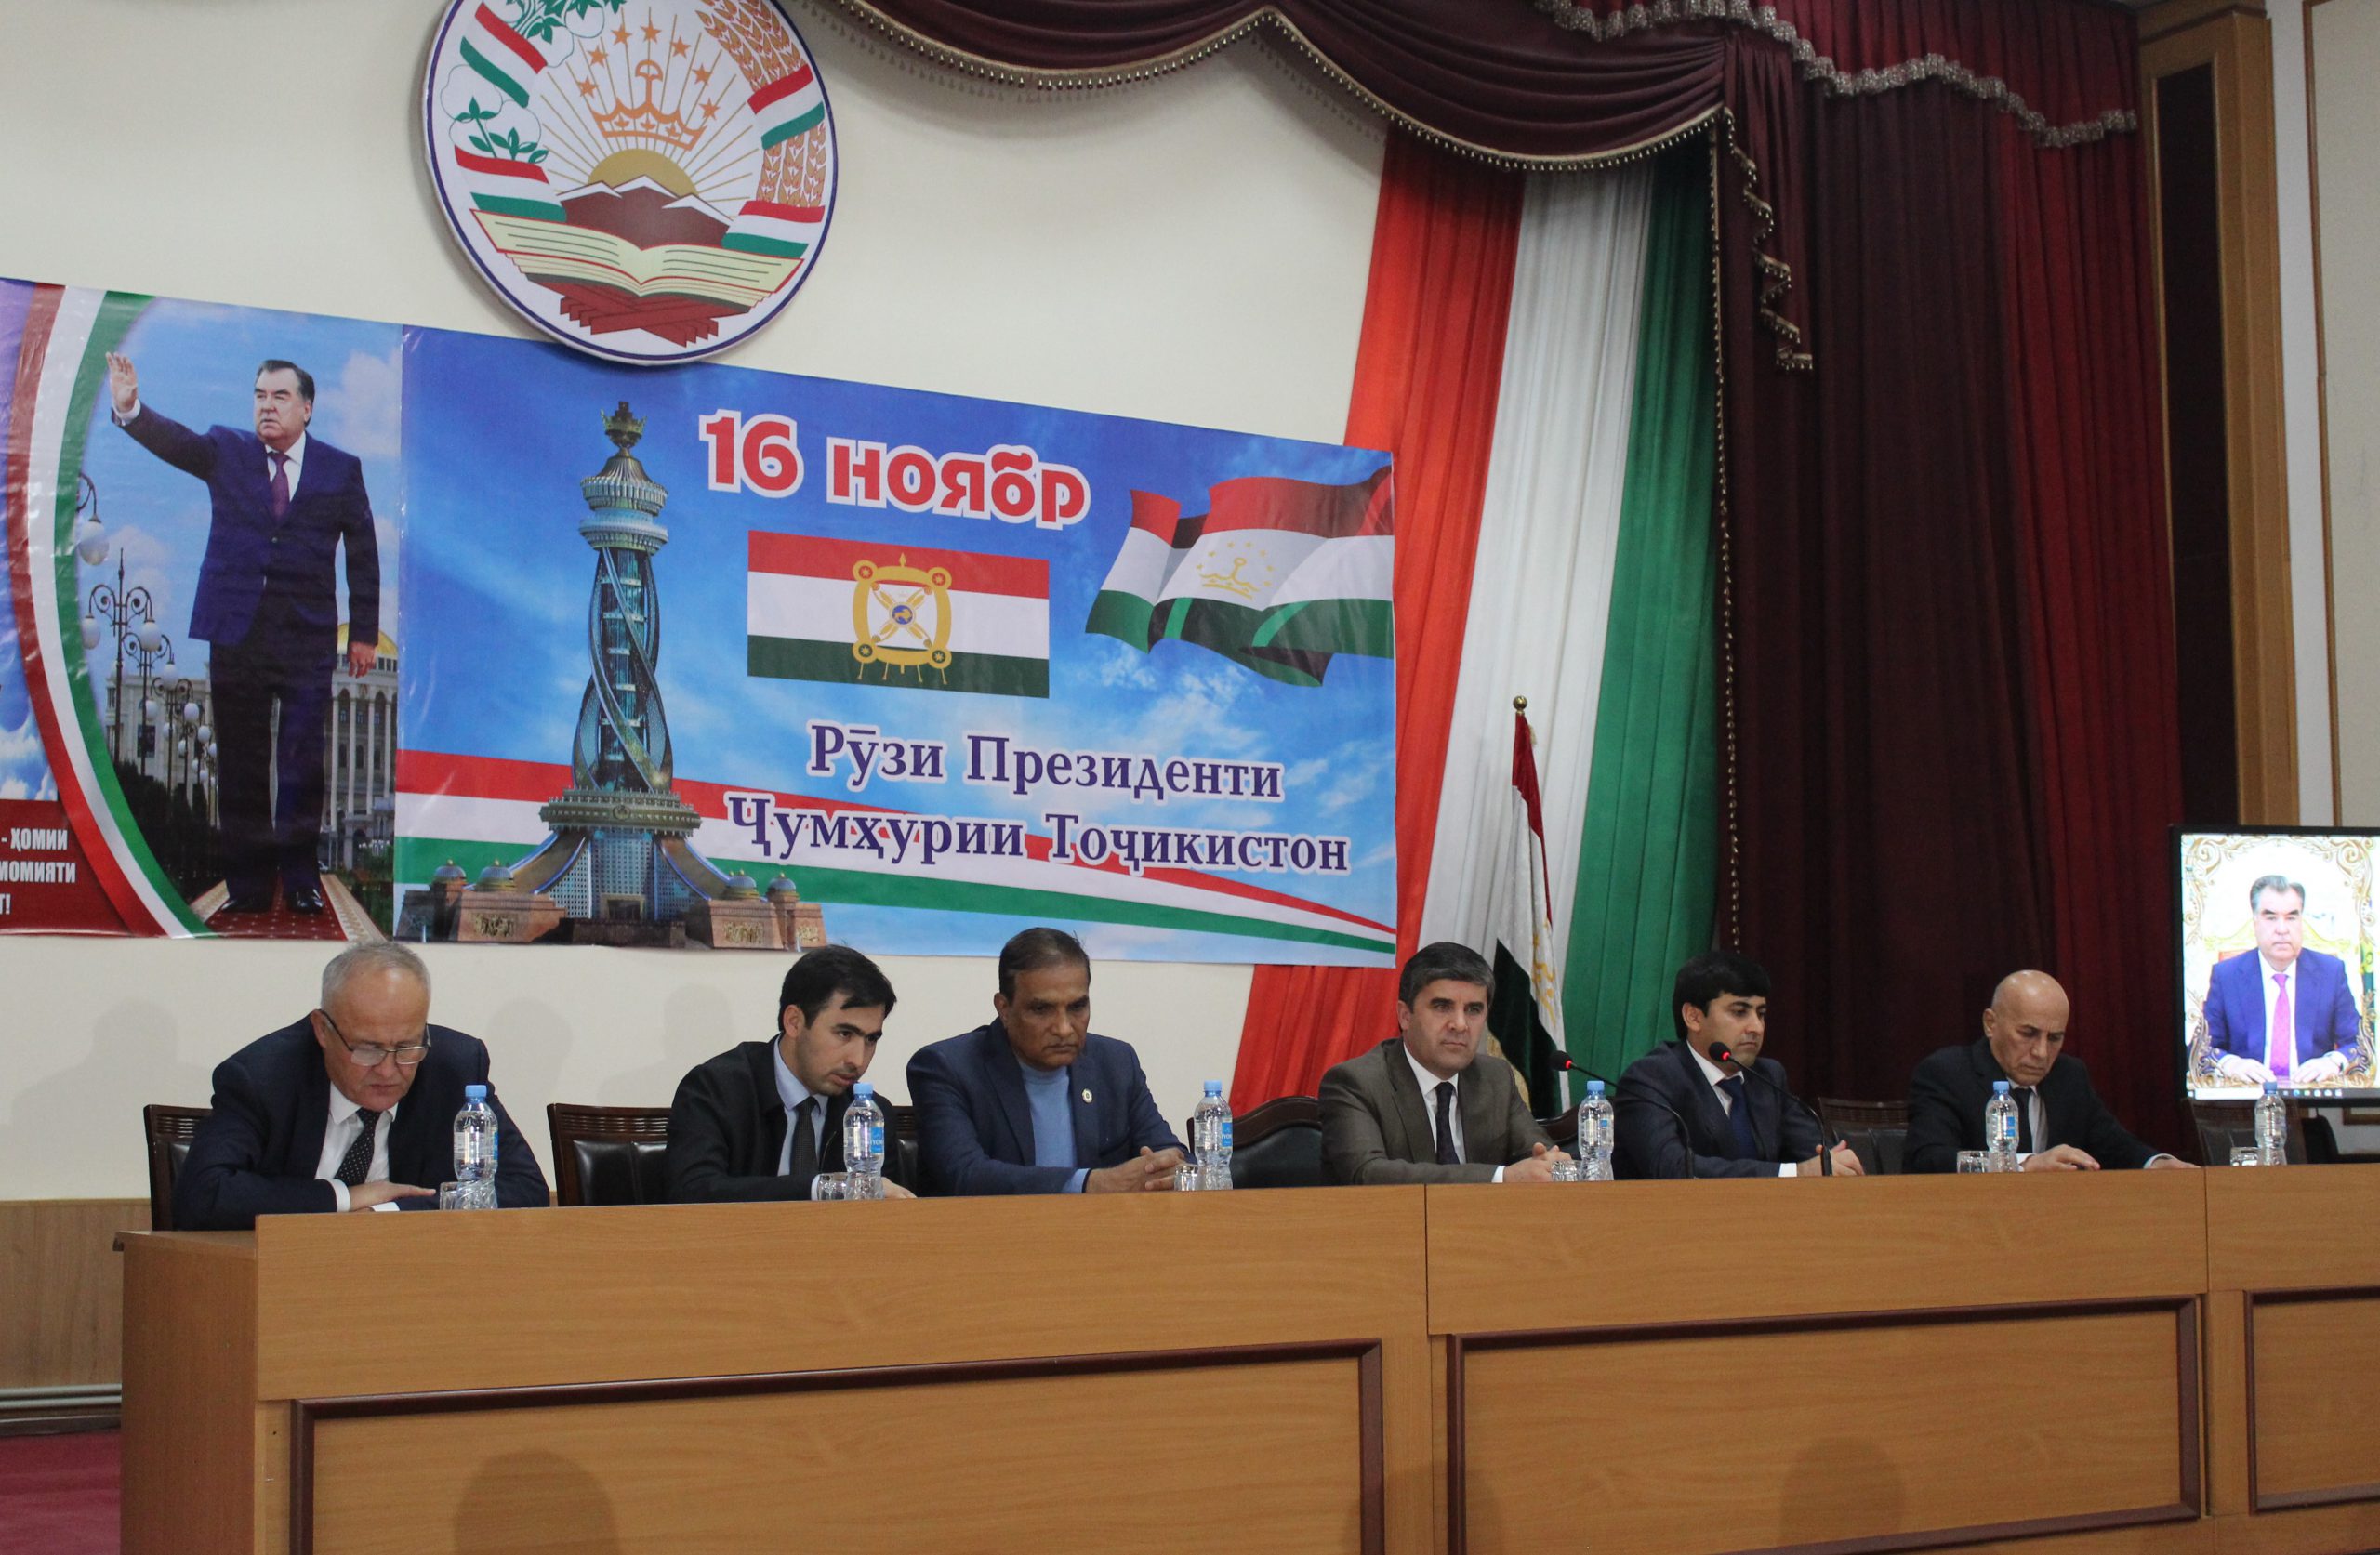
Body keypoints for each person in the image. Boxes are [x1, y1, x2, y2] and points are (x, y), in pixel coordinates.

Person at [108, 352, 379, 915]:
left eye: (280, 396)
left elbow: (362, 552)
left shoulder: (340, 470)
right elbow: (177, 444)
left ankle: (301, 880)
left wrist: (363, 633)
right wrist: (131, 408)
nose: (266, 406)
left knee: (301, 760)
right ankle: (249, 886)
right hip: (237, 633)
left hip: (306, 638)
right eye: (259, 396)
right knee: (242, 763)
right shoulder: (226, 450)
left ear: (307, 408)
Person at [174, 942, 547, 1230]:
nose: (388, 1070)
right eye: (368, 1049)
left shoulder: (454, 1069)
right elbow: (201, 1195)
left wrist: (385, 1212)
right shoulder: (262, 1077)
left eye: (407, 1047)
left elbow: (526, 1189)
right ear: (322, 1030)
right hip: (285, 1277)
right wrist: (345, 1198)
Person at [907, 928, 1184, 1194]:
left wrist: (1170, 1168)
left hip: (1102, 1226)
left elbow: (1170, 1154)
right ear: (1004, 1009)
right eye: (1041, 1009)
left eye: (1077, 1007)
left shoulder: (1116, 1063)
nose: (1063, 1028)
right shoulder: (945, 1067)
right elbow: (965, 1174)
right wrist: (1091, 1184)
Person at [664, 944, 915, 1201]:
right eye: (844, 1034)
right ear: (794, 1022)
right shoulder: (715, 1089)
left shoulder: (868, 1115)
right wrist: (823, 1188)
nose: (858, 1060)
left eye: (871, 1039)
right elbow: (693, 1192)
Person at [1318, 941, 1567, 1184]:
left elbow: (1543, 1157)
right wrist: (1501, 1177)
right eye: (1442, 1007)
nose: (1460, 1024)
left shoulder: (1496, 1078)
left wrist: (1551, 1166)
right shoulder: (1356, 1083)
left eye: (1473, 1010)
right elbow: (1368, 1173)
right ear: (1405, 1016)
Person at [1906, 969, 2190, 1172]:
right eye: (2028, 1034)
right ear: (1991, 1024)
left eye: (2054, 1038)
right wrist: (2023, 1165)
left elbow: (2114, 1145)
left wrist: (2157, 1163)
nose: (2041, 1052)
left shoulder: (2069, 1076)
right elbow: (1929, 1159)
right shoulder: (1948, 1074)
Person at [1614, 951, 1861, 1179]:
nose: (1757, 1027)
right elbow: (1672, 1167)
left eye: (1761, 1013)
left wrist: (1834, 1164)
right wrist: (1794, 1172)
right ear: (1694, 1017)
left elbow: (1817, 1153)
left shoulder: (1768, 1076)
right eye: (1740, 1012)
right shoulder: (1651, 1078)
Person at [2204, 876, 2363, 1086]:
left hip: (2312, 1096)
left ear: (2301, 920)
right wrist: (2231, 1064)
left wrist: (2332, 1062)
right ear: (2255, 922)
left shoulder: (2330, 972)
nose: (2282, 929)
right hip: (2247, 1096)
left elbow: (2358, 1045)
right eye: (2271, 917)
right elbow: (2202, 1049)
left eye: (2291, 917)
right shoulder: (2227, 976)